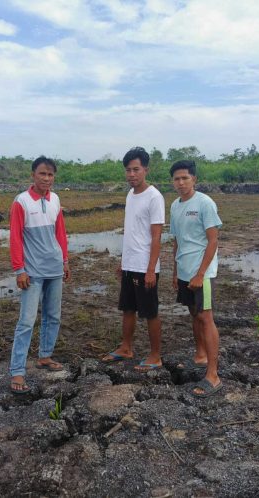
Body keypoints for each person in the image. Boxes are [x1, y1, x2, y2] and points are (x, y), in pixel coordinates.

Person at [8, 156, 71, 394]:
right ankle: (17, 371)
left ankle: (45, 356)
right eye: (42, 174)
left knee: (53, 316)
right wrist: (19, 270)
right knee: (26, 321)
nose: (46, 179)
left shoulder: (55, 199)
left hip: (54, 268)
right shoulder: (21, 202)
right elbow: (15, 237)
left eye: (50, 175)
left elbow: (60, 232)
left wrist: (65, 261)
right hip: (32, 272)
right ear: (33, 175)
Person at [101, 146, 165, 371]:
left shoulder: (154, 197)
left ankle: (155, 356)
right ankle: (126, 348)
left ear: (145, 169)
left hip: (145, 266)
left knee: (150, 312)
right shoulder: (130, 194)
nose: (131, 174)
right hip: (130, 264)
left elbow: (156, 236)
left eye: (136, 169)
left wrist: (150, 270)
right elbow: (132, 232)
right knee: (128, 308)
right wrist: (123, 261)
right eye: (128, 170)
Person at [169, 160, 223, 397]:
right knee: (193, 313)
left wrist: (201, 274)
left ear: (194, 179)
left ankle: (213, 374)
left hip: (202, 273)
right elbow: (177, 241)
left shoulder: (204, 203)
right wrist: (175, 270)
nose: (181, 183)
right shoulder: (174, 206)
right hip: (184, 271)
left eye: (185, 178)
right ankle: (200, 356)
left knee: (206, 317)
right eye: (176, 179)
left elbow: (213, 240)